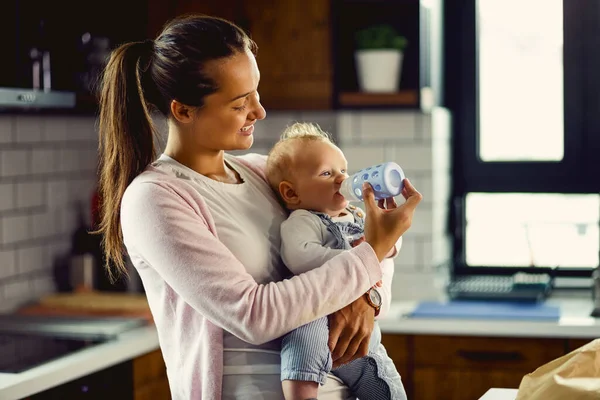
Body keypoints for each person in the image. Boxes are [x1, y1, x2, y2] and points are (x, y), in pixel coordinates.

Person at [96, 14, 422, 400]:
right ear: (183, 110)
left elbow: (349, 238)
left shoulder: (262, 171)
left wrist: (369, 296)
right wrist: (373, 254)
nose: (260, 111)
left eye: (256, 92)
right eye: (239, 103)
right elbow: (254, 315)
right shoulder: (156, 198)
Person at [266, 122, 409, 400]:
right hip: (318, 321)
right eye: (327, 173)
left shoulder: (356, 215)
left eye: (343, 170)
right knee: (302, 345)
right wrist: (361, 257)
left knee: (381, 376)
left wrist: (387, 239)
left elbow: (386, 245)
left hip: (357, 332)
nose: (341, 179)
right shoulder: (303, 220)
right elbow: (300, 257)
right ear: (291, 193)